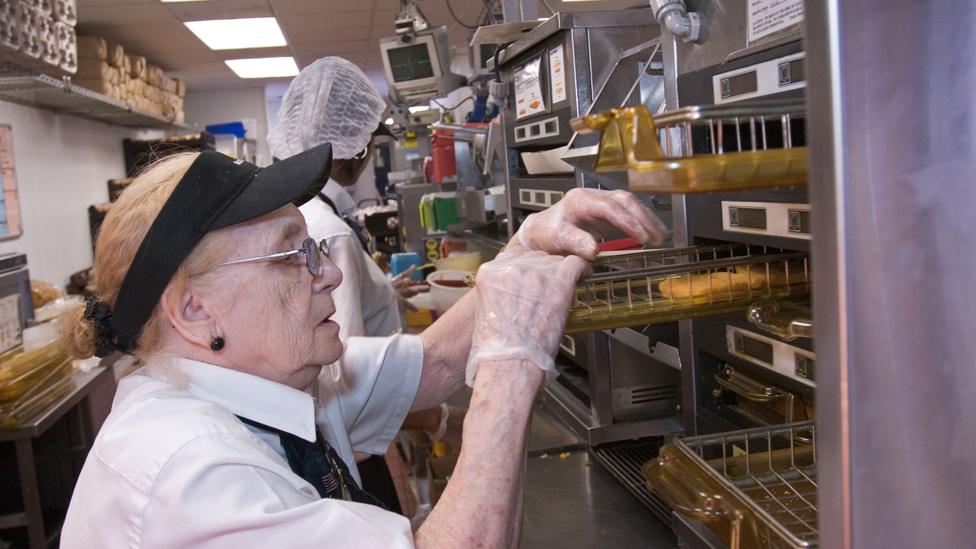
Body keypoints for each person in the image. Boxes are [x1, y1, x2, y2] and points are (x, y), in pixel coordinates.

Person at [58, 145, 666, 547]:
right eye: (293, 253)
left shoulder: (267, 381)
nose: (330, 273)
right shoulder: (190, 481)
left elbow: (437, 362)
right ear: (194, 309)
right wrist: (512, 365)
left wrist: (529, 246)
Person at [268, 57, 434, 512]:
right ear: (356, 150)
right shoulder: (331, 231)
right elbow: (345, 359)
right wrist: (437, 419)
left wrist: (385, 294)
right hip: (353, 438)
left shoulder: (302, 212)